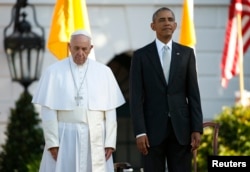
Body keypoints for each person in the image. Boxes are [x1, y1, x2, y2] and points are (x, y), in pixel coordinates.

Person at [32, 29, 125, 172]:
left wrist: (110, 142)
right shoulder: (54, 71)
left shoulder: (104, 72)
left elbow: (110, 110)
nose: (80, 53)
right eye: (76, 48)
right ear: (69, 46)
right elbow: (48, 110)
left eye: (84, 49)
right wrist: (52, 142)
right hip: (65, 136)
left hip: (95, 137)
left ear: (90, 49)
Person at [129, 7, 203, 172]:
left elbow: (193, 94)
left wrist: (196, 128)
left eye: (170, 20)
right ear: (153, 26)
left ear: (175, 25)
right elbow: (136, 98)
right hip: (151, 133)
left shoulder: (187, 54)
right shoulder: (140, 56)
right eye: (161, 20)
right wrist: (140, 132)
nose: (166, 23)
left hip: (181, 131)